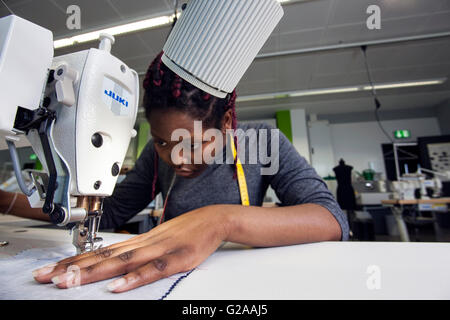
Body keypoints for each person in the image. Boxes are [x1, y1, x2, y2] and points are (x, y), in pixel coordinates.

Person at [1, 52, 348, 293]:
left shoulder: (262, 142)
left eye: (193, 144)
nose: (177, 158)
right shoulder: (156, 154)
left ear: (225, 125)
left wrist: (221, 221)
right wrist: (6, 201)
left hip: (244, 281)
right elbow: (110, 214)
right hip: (176, 279)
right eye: (163, 142)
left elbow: (331, 220)